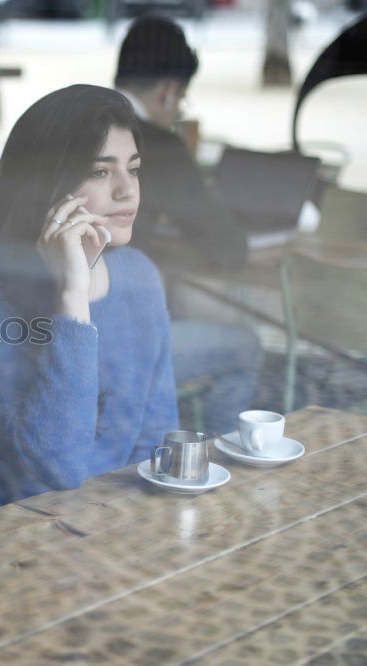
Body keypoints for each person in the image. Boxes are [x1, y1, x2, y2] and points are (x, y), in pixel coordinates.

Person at [0, 85, 177, 530]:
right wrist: (72, 296)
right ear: (47, 185)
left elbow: (155, 436)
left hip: (102, 529)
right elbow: (58, 467)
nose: (127, 191)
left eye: (134, 169)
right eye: (99, 172)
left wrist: (135, 531)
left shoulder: (140, 276)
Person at [114, 15, 262, 435]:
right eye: (182, 101)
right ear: (167, 90)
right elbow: (226, 247)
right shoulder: (155, 142)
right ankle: (212, 465)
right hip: (109, 341)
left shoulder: (68, 118)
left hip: (29, 323)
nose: (179, 111)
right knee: (245, 347)